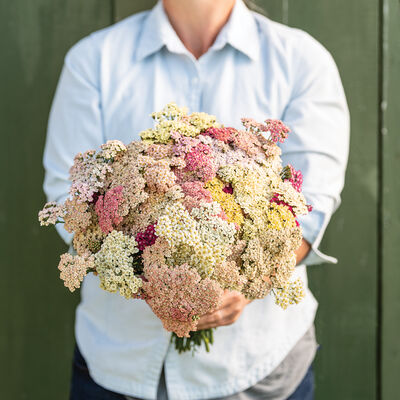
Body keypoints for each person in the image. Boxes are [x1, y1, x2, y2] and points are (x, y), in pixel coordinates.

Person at [43, 0, 349, 399]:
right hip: (120, 365)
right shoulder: (94, 60)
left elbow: (312, 203)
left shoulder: (300, 59)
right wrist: (155, 284)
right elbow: (68, 195)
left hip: (256, 368)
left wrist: (248, 281)